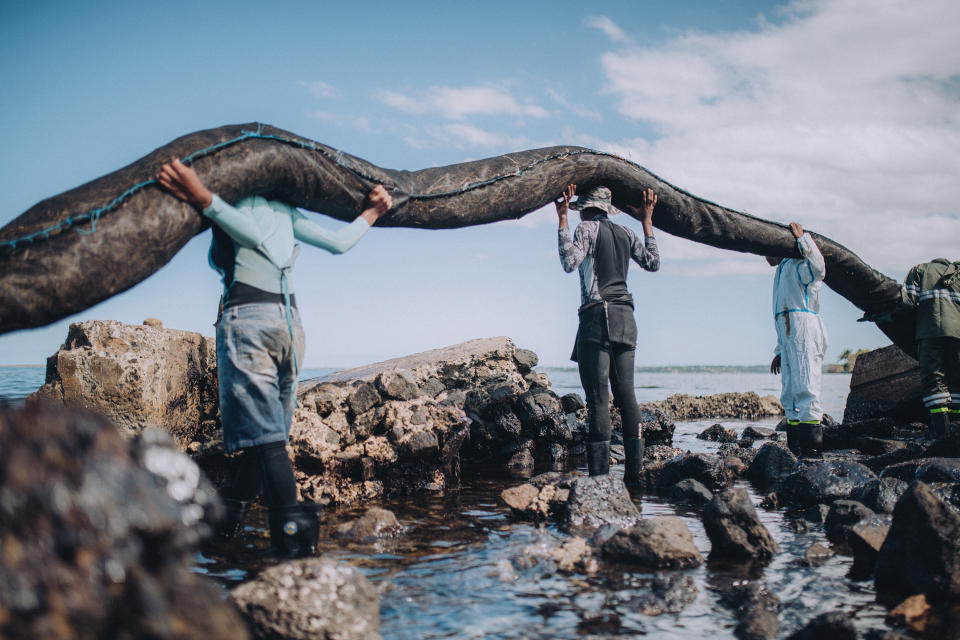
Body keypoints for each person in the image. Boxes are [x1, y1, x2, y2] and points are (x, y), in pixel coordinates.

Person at [157, 158, 392, 557]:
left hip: (250, 321)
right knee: (265, 439)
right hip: (290, 326)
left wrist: (203, 198)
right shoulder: (284, 211)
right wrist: (373, 212)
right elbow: (338, 243)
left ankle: (297, 548)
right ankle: (223, 528)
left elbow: (250, 235)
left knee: (266, 441)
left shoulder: (235, 203)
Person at [556, 184, 659, 487]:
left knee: (599, 398)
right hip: (626, 317)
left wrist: (562, 219)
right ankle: (635, 477)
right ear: (607, 209)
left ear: (586, 209)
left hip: (597, 319)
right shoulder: (627, 233)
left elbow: (569, 262)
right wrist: (647, 222)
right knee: (626, 393)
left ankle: (599, 480)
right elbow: (653, 263)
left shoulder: (586, 229)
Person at [767, 222, 827, 456]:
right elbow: (782, 316)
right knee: (790, 392)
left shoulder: (798, 264)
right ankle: (795, 451)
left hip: (804, 331)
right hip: (789, 334)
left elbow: (819, 268)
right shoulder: (781, 270)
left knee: (806, 389)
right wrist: (779, 351)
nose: (766, 257)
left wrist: (804, 239)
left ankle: (813, 455)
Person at [899, 259, 960, 437]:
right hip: (958, 334)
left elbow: (907, 303)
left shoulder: (919, 271)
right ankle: (956, 430)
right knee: (957, 380)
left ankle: (941, 432)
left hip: (930, 331)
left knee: (934, 380)